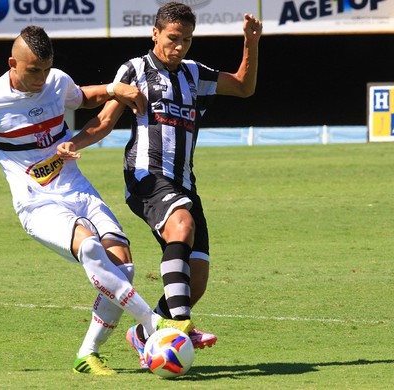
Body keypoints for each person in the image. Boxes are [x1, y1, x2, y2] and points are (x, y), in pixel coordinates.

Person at [0, 25, 195, 375]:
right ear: (12, 62)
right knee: (90, 248)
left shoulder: (55, 80)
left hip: (78, 189)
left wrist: (112, 89)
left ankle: (87, 354)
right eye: (33, 71)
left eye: (46, 70)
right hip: (36, 202)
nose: (42, 79)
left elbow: (81, 96)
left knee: (123, 265)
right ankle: (154, 324)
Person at [57, 2, 262, 368]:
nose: (179, 46)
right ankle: (181, 325)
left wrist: (251, 43)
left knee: (195, 281)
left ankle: (144, 334)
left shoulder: (194, 74)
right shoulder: (134, 70)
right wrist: (73, 142)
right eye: (172, 38)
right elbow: (104, 122)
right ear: (155, 34)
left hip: (184, 183)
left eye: (186, 39)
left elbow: (244, 88)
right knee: (181, 223)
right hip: (145, 176)